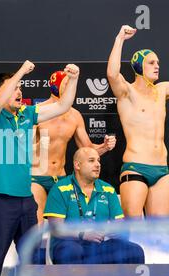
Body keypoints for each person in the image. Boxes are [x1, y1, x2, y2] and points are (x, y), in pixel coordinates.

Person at [0, 60, 80, 276]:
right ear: (0, 92)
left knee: (33, 259)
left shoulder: (27, 114)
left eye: (20, 88)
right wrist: (21, 72)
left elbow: (63, 105)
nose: (19, 91)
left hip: (26, 201)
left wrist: (74, 79)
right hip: (0, 201)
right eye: (14, 88)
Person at [107, 25, 169, 218]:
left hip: (161, 170)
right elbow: (112, 74)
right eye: (151, 62)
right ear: (138, 66)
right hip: (136, 167)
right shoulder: (127, 93)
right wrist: (120, 38)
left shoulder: (161, 91)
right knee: (134, 231)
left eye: (158, 62)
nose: (157, 66)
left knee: (160, 232)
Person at [32, 70, 116, 224]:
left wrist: (104, 147)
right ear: (56, 86)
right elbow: (23, 149)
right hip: (37, 176)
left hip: (61, 177)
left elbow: (87, 149)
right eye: (67, 83)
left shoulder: (75, 116)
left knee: (64, 228)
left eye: (72, 83)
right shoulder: (38, 112)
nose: (72, 87)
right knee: (37, 226)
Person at [43, 147, 144, 264]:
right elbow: (56, 229)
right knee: (72, 250)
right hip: (69, 243)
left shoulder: (108, 190)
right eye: (91, 161)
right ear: (77, 165)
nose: (97, 165)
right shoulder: (60, 188)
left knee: (134, 251)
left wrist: (117, 231)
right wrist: (83, 235)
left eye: (98, 161)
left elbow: (120, 225)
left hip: (98, 245)